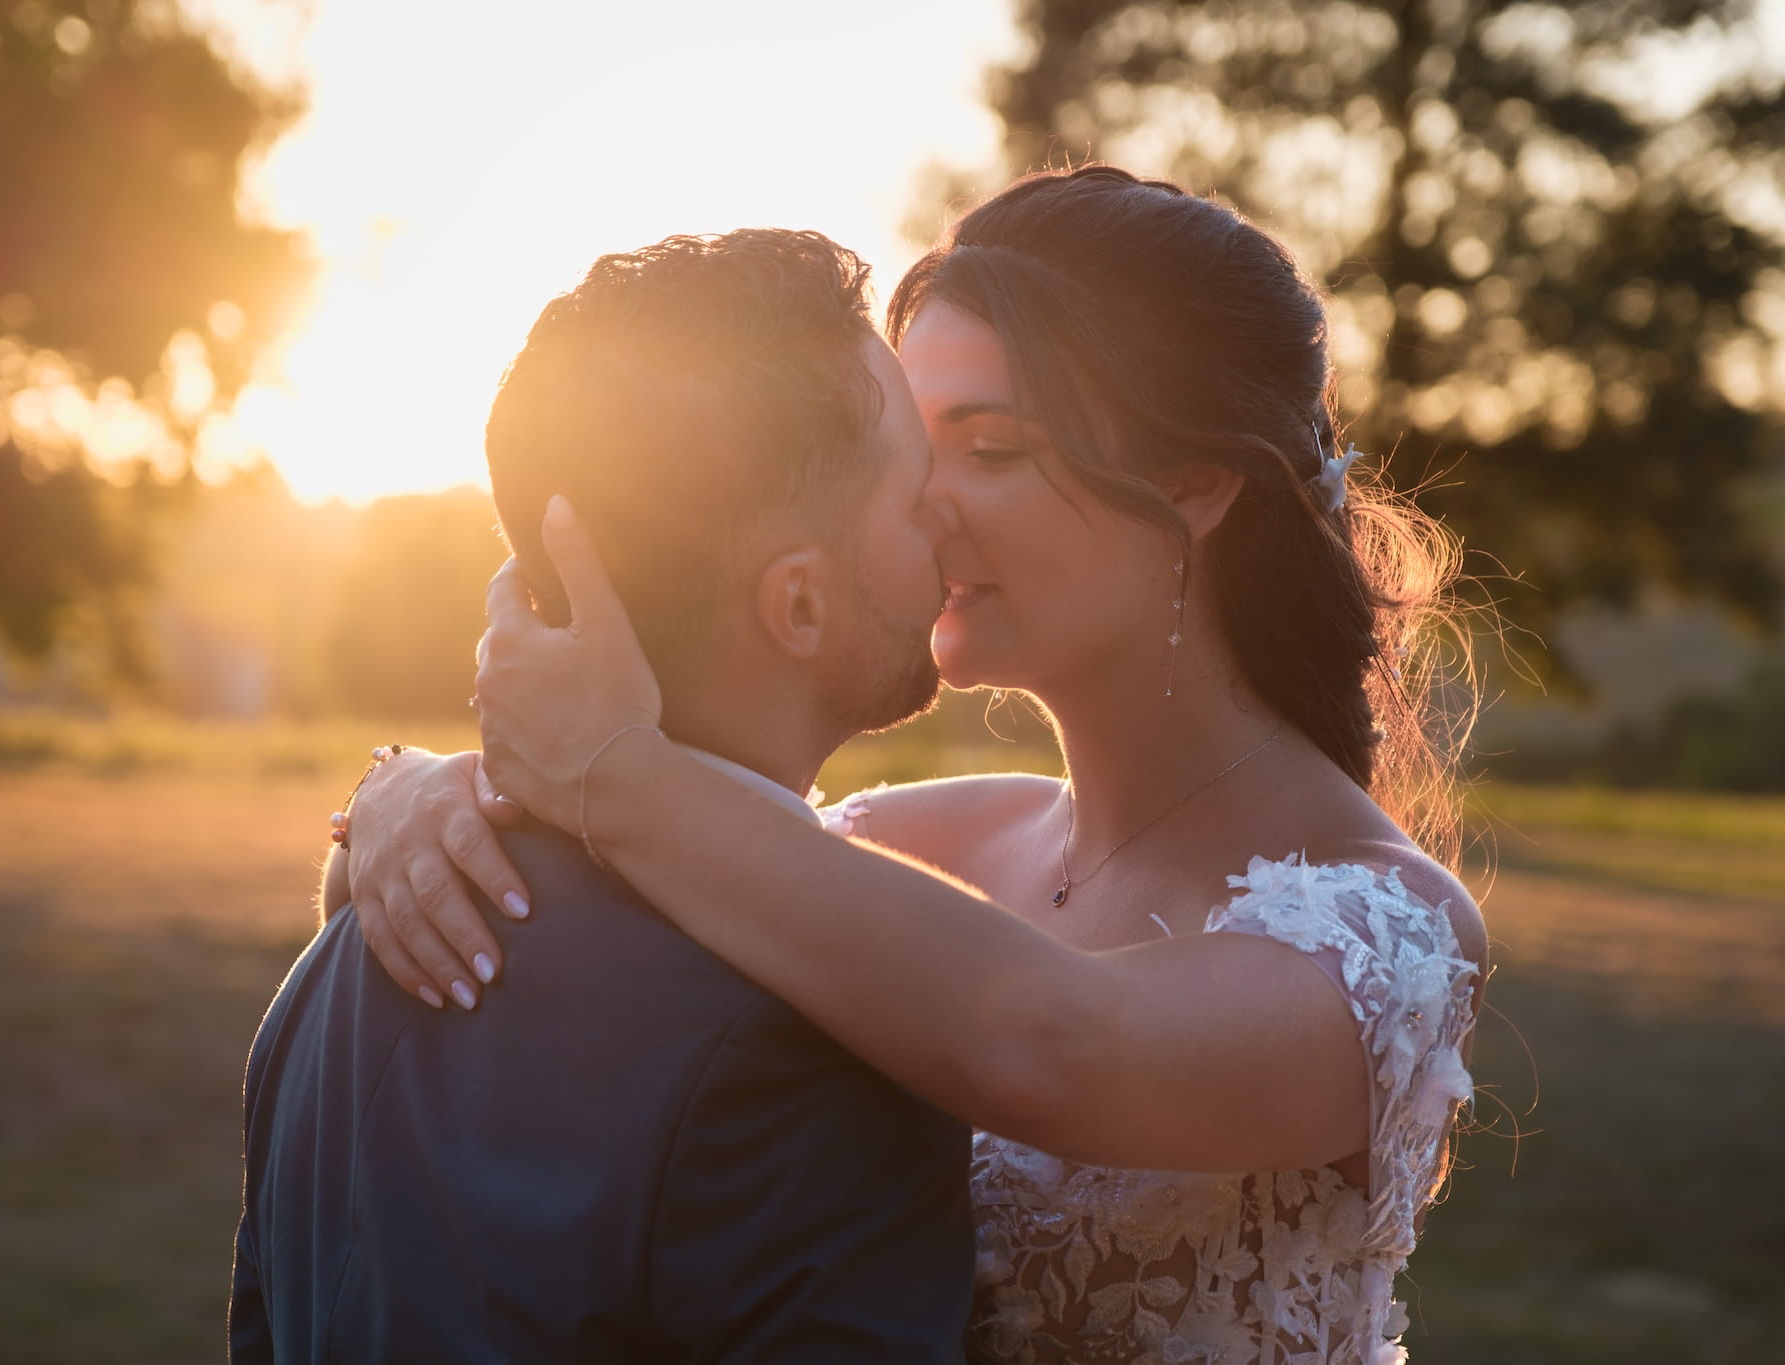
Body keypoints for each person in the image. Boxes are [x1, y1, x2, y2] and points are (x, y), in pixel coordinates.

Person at [330, 165, 1491, 1363]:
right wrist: (414, 793)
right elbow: (643, 919)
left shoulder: (1386, 933)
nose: (914, 500)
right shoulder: (918, 841)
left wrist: (613, 775)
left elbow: (1044, 1043)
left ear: (1193, 482)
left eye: (987, 446)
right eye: (907, 439)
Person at [230, 229, 978, 1364]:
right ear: (801, 608)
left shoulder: (336, 976)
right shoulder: (824, 1048)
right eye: (913, 485)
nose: (946, 512)